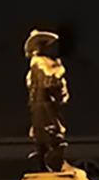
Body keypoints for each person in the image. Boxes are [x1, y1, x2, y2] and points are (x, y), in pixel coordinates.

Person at [24, 29, 70, 172]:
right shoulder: (38, 62)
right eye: (41, 44)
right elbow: (48, 74)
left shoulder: (48, 62)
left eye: (45, 44)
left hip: (48, 101)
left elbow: (58, 86)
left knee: (51, 127)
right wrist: (58, 69)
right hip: (42, 101)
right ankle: (46, 160)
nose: (44, 47)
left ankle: (52, 160)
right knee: (45, 128)